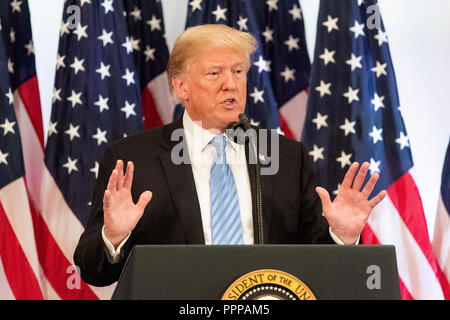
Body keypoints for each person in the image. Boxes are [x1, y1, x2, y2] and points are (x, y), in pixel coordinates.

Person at [74, 24, 387, 287]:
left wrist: (342, 236)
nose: (231, 84)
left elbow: (316, 266)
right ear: (181, 87)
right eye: (214, 73)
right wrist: (114, 236)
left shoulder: (286, 158)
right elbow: (93, 271)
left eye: (239, 71)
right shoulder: (133, 158)